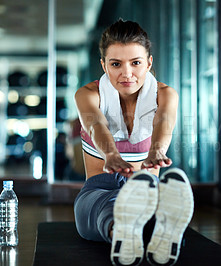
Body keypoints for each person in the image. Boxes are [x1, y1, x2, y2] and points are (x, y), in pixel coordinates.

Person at [73, 19, 194, 266]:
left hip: (145, 190)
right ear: (104, 66)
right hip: (101, 187)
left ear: (149, 63)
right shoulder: (87, 94)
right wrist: (111, 155)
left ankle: (147, 229)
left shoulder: (165, 94)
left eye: (136, 63)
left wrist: (157, 151)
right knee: (94, 208)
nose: (126, 73)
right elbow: (96, 124)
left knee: (143, 207)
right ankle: (128, 230)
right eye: (116, 64)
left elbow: (164, 124)